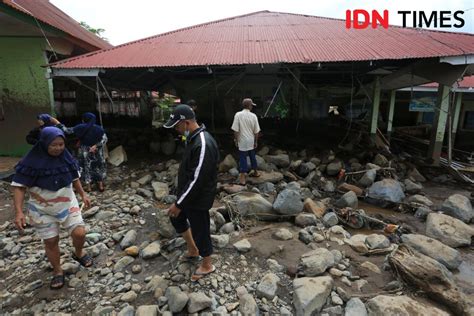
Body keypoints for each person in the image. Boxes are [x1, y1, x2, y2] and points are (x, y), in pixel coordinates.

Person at [12, 127, 92, 289]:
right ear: (44, 143)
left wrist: (83, 194)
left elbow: (74, 177)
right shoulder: (30, 162)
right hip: (42, 209)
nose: (58, 148)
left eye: (61, 144)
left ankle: (78, 253)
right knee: (51, 241)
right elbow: (19, 187)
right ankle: (57, 271)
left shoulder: (66, 157)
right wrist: (19, 212)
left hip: (67, 203)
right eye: (53, 145)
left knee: (80, 233)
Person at [164, 104, 219, 282]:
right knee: (175, 217)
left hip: (199, 196)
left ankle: (207, 264)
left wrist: (180, 203)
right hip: (189, 194)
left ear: (186, 123)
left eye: (177, 126)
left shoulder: (203, 143)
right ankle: (192, 250)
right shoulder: (192, 138)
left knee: (200, 228)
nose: (175, 130)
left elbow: (197, 179)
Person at [56, 113, 108, 192]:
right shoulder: (99, 128)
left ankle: (89, 187)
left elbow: (67, 131)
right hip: (97, 152)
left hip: (85, 151)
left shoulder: (80, 127)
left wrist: (58, 123)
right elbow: (104, 139)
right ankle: (100, 186)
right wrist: (96, 146)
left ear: (84, 119)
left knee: (86, 167)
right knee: (97, 167)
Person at [231, 98, 261, 185]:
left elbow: (235, 130)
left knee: (242, 157)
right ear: (250, 106)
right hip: (251, 140)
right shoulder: (253, 116)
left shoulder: (238, 115)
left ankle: (243, 178)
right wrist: (256, 141)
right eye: (252, 105)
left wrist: (236, 140)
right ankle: (255, 172)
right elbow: (256, 131)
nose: (252, 107)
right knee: (252, 156)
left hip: (242, 140)